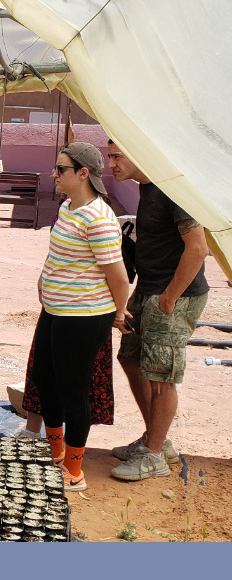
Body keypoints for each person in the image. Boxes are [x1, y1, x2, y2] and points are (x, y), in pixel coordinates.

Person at [27, 142, 128, 491]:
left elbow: (117, 274)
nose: (54, 175)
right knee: (44, 376)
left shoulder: (99, 219)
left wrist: (119, 312)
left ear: (83, 173)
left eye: (61, 169)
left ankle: (74, 470)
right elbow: (59, 252)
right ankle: (55, 452)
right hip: (55, 309)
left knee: (73, 390)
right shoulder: (68, 207)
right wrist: (46, 276)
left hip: (84, 315)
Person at [108, 141, 210, 481]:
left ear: (140, 154)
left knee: (161, 374)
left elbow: (198, 249)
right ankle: (156, 438)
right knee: (130, 358)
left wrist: (169, 298)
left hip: (175, 295)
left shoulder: (173, 191)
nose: (111, 164)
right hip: (149, 290)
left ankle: (153, 456)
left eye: (117, 156)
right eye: (109, 156)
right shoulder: (147, 190)